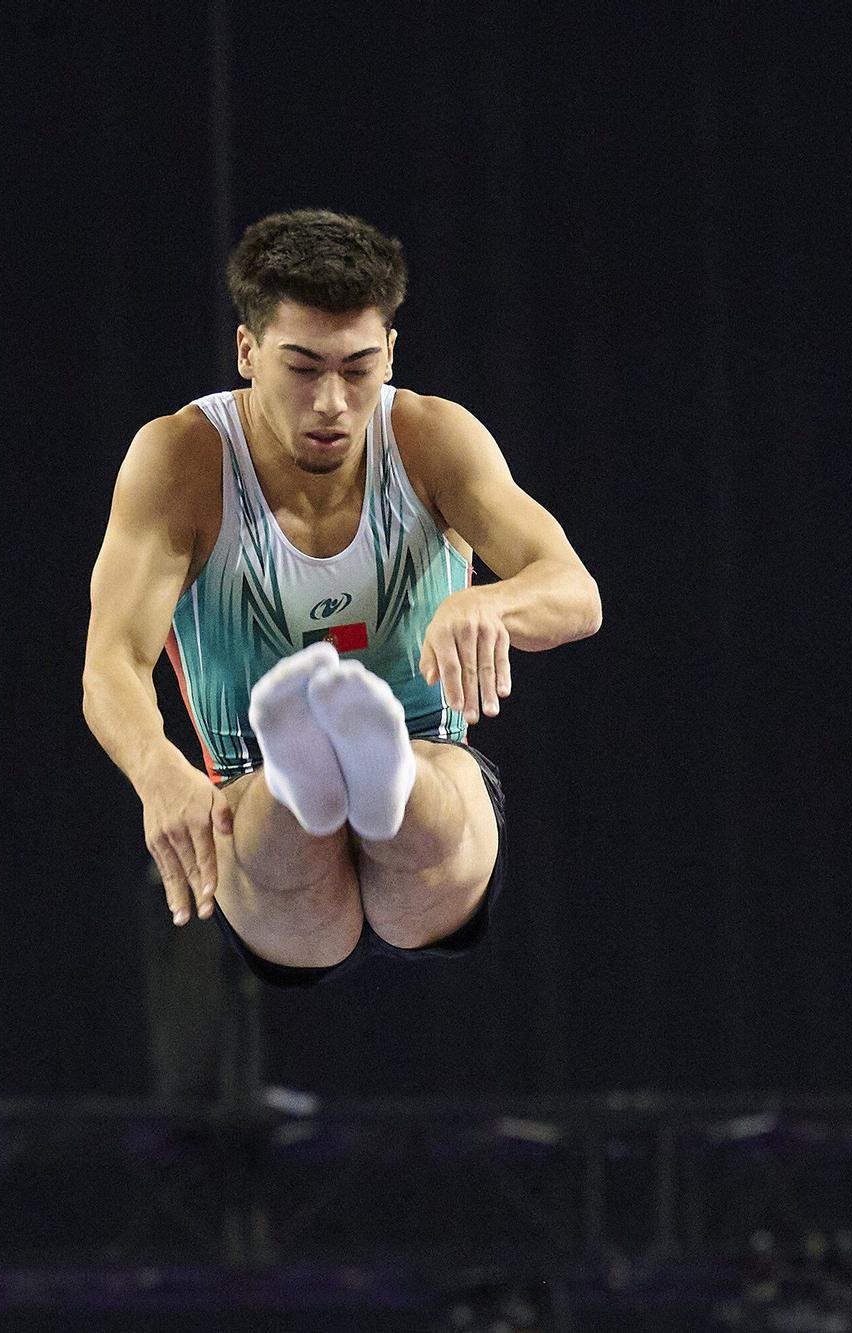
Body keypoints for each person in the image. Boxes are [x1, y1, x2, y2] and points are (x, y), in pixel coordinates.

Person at [82, 209, 601, 987]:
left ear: (391, 353)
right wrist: (158, 771)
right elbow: (110, 663)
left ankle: (376, 768)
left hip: (431, 758)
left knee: (437, 803)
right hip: (250, 787)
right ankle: (311, 769)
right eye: (304, 367)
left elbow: (575, 591)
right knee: (271, 834)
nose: (332, 402)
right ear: (247, 351)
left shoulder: (432, 439)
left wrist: (494, 604)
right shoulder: (180, 462)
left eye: (359, 369)